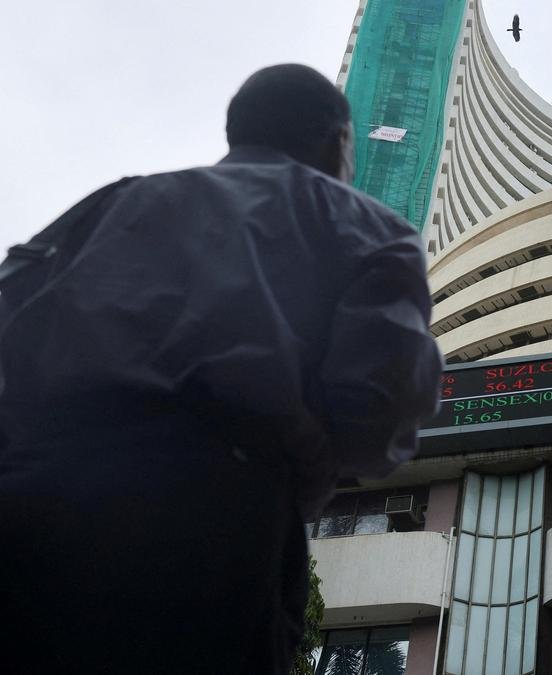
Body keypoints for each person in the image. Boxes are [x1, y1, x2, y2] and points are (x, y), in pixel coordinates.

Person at [0, 64, 442, 674]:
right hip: (216, 524)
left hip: (30, 496)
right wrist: (301, 443)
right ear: (338, 139)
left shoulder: (114, 203)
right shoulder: (370, 231)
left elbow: (13, 323)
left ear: (237, 131)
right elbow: (380, 416)